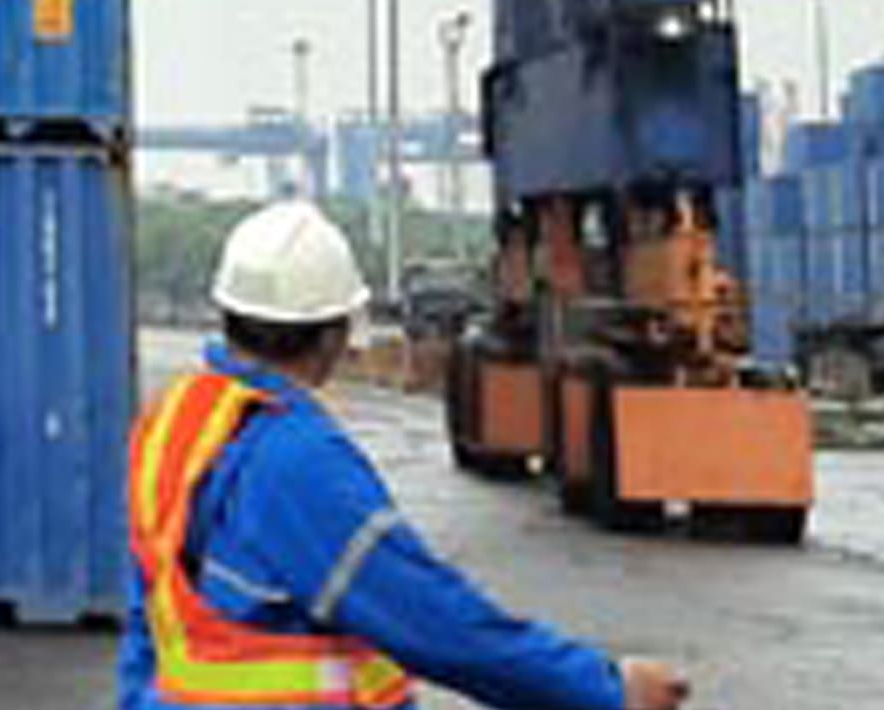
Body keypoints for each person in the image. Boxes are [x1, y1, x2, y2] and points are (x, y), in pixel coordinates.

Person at [121, 200, 691, 710]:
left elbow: (146, 617)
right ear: (334, 336)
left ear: (228, 312)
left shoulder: (175, 423)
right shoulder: (297, 459)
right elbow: (434, 623)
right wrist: (605, 690)